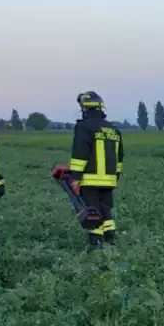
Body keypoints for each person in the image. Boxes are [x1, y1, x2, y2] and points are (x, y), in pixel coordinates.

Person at [67, 91, 124, 250]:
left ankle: (95, 243)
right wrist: (115, 177)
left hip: (90, 179)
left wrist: (74, 176)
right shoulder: (113, 129)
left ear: (84, 108)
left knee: (91, 211)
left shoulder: (83, 127)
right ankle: (110, 238)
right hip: (110, 179)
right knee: (105, 210)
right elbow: (120, 157)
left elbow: (80, 153)